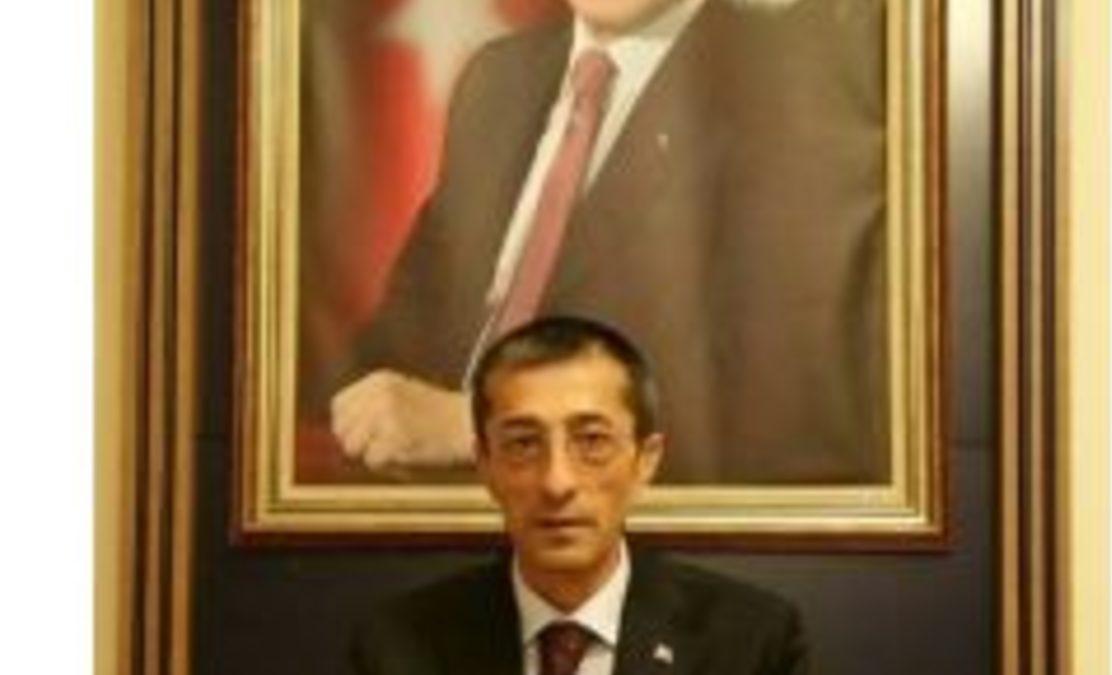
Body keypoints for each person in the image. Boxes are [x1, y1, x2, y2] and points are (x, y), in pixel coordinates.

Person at [330, 0, 887, 484]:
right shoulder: (496, 79)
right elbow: (396, 343)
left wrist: (484, 426)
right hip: (438, 522)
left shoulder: (797, 92)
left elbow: (785, 417)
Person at [350, 316, 809, 674]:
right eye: (523, 444)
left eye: (592, 441)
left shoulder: (751, 643)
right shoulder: (399, 647)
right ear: (485, 463)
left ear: (645, 461)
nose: (557, 482)